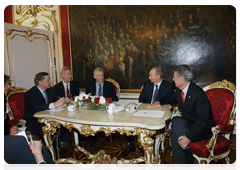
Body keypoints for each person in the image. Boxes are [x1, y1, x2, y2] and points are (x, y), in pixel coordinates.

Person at [150, 65, 215, 170]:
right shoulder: (180, 90)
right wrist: (158, 102)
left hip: (203, 128)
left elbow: (202, 120)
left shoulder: (198, 94)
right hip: (189, 123)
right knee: (176, 121)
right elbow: (170, 98)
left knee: (176, 132)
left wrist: (188, 137)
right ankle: (188, 160)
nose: (172, 79)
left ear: (182, 80)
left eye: (174, 77)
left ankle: (187, 161)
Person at [121, 67, 174, 157]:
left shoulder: (168, 86)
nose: (149, 78)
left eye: (151, 75)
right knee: (130, 123)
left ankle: (150, 149)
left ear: (158, 76)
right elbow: (141, 98)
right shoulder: (147, 84)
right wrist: (145, 107)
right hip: (145, 111)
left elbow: (171, 101)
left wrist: (157, 106)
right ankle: (131, 145)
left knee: (151, 126)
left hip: (158, 112)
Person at [23, 72, 71, 155]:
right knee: (46, 128)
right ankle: (47, 152)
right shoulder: (30, 94)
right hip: (35, 121)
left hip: (49, 118)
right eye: (48, 80)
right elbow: (36, 108)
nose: (50, 82)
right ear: (40, 82)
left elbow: (57, 99)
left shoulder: (51, 90)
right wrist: (55, 104)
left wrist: (64, 101)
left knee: (64, 126)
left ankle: (56, 146)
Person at [85, 67, 118, 150]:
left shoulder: (109, 85)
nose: (101, 77)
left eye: (102, 75)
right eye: (99, 76)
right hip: (93, 110)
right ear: (94, 76)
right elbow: (87, 99)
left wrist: (107, 101)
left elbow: (115, 98)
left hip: (105, 109)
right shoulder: (89, 86)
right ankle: (93, 138)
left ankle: (107, 134)